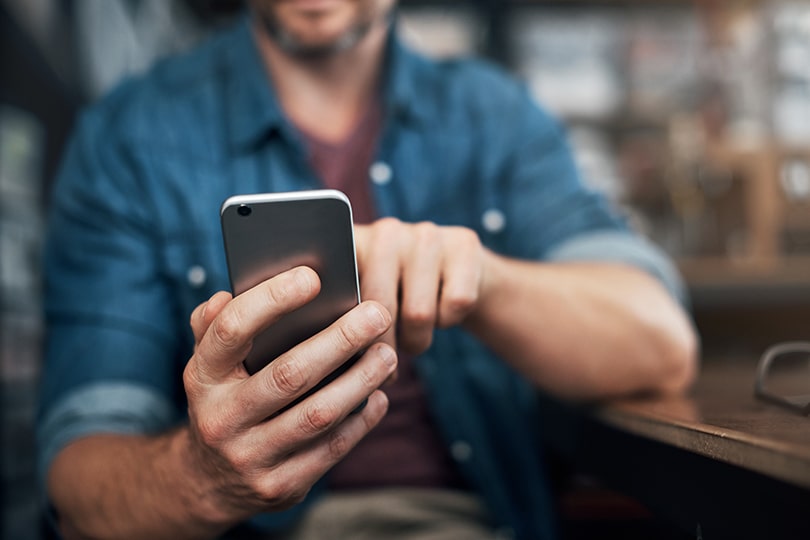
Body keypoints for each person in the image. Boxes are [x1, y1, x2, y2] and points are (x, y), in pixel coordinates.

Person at [37, 1, 698, 538]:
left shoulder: (494, 116)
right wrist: (203, 478)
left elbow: (659, 345)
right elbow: (78, 486)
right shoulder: (130, 136)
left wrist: (485, 280)